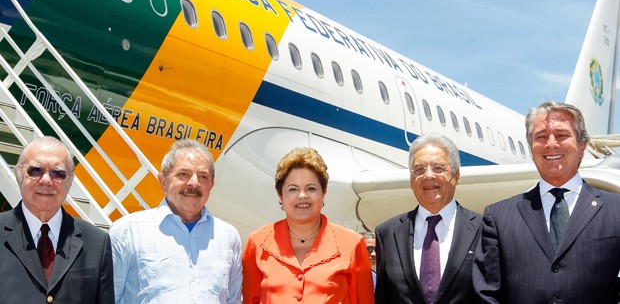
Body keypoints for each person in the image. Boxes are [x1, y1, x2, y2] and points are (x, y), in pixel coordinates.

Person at [473, 101, 620, 303]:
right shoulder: (498, 217)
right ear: (531, 148)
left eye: (561, 135)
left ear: (582, 146)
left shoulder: (616, 210)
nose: (551, 144)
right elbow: (486, 295)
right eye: (541, 137)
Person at [110, 139, 242, 303]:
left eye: (203, 176)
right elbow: (108, 298)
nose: (194, 183)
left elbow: (234, 300)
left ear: (211, 186)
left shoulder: (228, 237)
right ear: (163, 182)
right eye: (183, 174)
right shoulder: (127, 232)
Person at [242, 147, 374, 303]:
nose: (302, 196)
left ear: (323, 192)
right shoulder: (257, 243)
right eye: (293, 189)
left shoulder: (353, 244)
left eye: (311, 188)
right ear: (280, 195)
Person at [0, 136, 114, 303]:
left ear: (70, 181)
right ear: (18, 175)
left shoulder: (97, 243)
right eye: (35, 170)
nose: (46, 180)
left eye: (58, 173)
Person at [375, 133, 482, 304]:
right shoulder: (387, 234)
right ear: (411, 180)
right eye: (419, 169)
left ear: (457, 175)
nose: (428, 175)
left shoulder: (484, 230)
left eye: (439, 167)